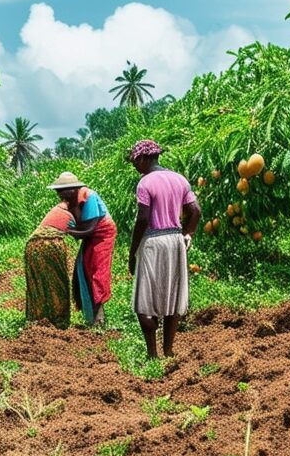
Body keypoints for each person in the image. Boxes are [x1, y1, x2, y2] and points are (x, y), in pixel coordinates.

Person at [127, 140, 201, 358]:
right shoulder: (179, 179)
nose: (134, 165)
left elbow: (143, 218)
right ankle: (168, 350)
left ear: (144, 159)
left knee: (143, 302)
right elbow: (195, 211)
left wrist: (132, 252)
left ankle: (152, 353)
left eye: (135, 161)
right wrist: (188, 234)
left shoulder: (145, 183)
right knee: (173, 296)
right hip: (175, 241)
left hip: (153, 241)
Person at [50, 171, 116, 328]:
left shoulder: (89, 197)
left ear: (73, 189)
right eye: (58, 192)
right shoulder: (70, 202)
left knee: (98, 272)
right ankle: (90, 315)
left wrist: (67, 231)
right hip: (89, 235)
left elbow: (90, 229)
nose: (60, 195)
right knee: (84, 270)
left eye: (62, 191)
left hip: (102, 234)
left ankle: (99, 318)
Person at [25, 200, 74, 328]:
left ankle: (37, 321)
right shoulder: (72, 208)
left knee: (37, 283)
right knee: (58, 284)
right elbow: (80, 233)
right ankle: (59, 322)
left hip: (31, 245)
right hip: (51, 244)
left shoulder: (58, 208)